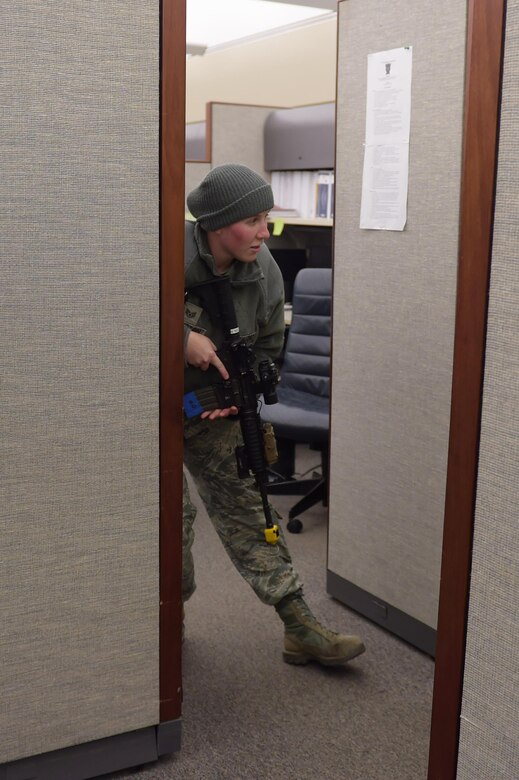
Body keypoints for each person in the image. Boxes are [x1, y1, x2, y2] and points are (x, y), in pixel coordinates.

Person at [183, 163, 365, 666]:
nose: (267, 232)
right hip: (146, 412)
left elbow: (268, 343)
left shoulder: (263, 271)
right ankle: (162, 625)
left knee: (251, 508)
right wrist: (180, 340)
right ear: (219, 224)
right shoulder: (164, 251)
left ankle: (299, 624)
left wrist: (243, 395)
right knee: (168, 525)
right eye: (256, 220)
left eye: (268, 218)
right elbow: (116, 317)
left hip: (211, 409)